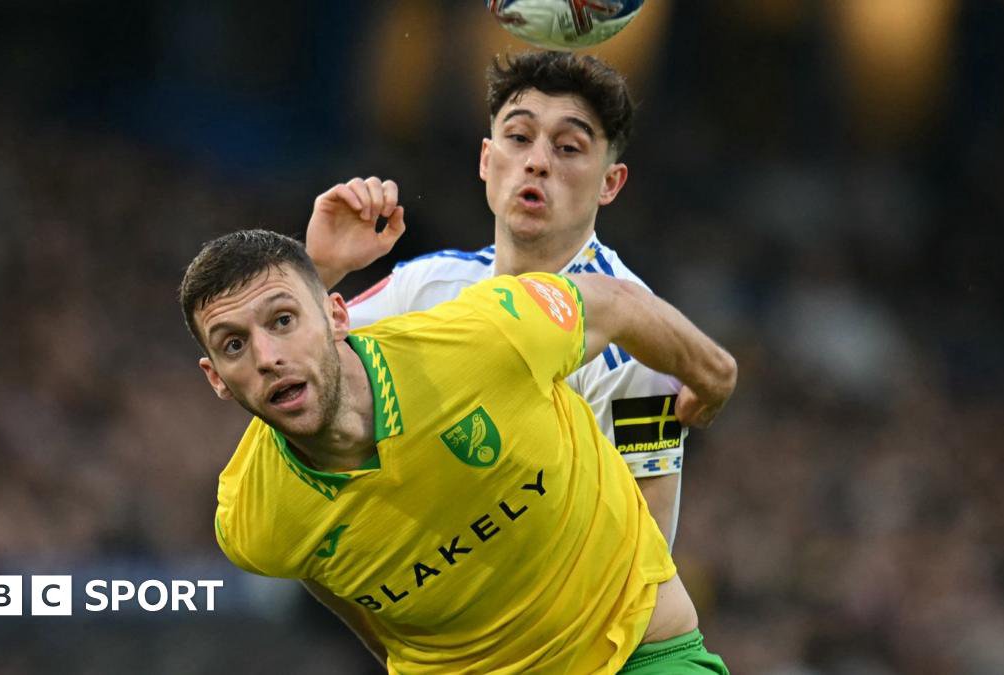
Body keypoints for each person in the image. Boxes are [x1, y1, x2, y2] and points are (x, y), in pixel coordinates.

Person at [180, 229, 733, 673]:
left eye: (283, 321)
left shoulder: (482, 339)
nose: (267, 357)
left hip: (637, 653)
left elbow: (616, 303)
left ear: (337, 316)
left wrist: (712, 375)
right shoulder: (254, 522)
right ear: (217, 379)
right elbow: (347, 595)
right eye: (235, 345)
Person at [305, 51, 722, 545]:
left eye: (568, 148)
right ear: (486, 160)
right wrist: (320, 270)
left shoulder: (636, 343)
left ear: (610, 183)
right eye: (519, 138)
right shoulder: (428, 286)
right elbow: (287, 377)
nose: (537, 162)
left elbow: (644, 553)